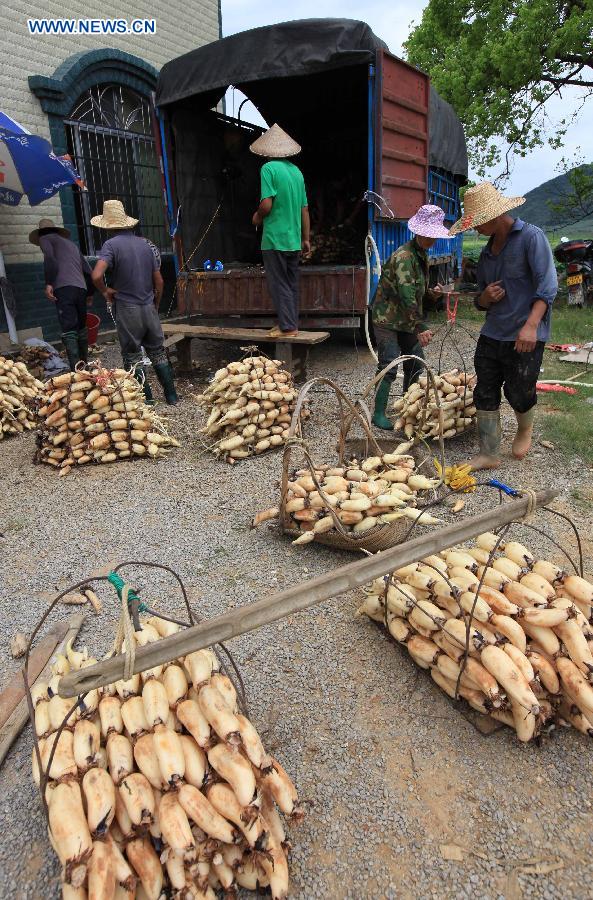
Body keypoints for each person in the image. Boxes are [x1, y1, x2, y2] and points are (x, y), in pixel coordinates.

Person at [449, 182, 557, 469]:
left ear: (493, 216)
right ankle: (489, 453)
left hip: (525, 332)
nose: (474, 229)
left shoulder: (532, 238)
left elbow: (548, 287)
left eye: (477, 223)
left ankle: (524, 429)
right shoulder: (486, 253)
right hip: (493, 331)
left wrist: (531, 326)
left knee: (519, 390)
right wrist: (483, 298)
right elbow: (482, 301)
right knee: (484, 390)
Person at [90, 200, 178, 405]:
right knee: (157, 352)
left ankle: (146, 400)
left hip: (127, 309)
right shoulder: (146, 244)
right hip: (148, 307)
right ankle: (172, 396)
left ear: (107, 226)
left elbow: (96, 275)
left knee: (132, 355)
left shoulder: (110, 245)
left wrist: (105, 291)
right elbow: (160, 281)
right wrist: (155, 305)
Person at [370, 205, 450, 429]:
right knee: (389, 364)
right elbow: (406, 296)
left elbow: (416, 292)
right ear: (418, 232)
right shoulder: (405, 257)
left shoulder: (420, 254)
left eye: (434, 235)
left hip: (406, 319)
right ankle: (378, 414)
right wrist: (421, 325)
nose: (431, 239)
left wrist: (432, 294)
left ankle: (408, 404)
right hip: (387, 318)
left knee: (415, 362)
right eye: (428, 235)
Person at [250, 124, 310, 337]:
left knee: (278, 284)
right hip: (294, 239)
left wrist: (257, 217)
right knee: (291, 284)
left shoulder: (268, 169)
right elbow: (304, 209)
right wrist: (306, 238)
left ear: (266, 151)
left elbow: (266, 204)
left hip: (274, 238)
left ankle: (288, 327)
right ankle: (290, 323)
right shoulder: (297, 172)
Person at [29, 218, 94, 370]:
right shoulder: (71, 244)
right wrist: (90, 293)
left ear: (40, 234)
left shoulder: (44, 238)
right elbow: (88, 271)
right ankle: (85, 367)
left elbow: (50, 259)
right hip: (81, 289)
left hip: (64, 288)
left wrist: (49, 283)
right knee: (81, 327)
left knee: (69, 328)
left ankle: (77, 371)